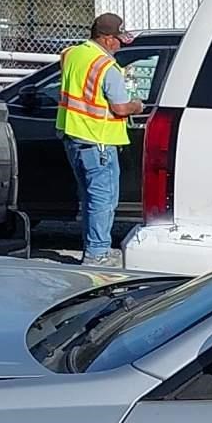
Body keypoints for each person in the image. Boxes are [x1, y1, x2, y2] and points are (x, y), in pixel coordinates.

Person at [57, 13, 143, 264]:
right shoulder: (107, 67)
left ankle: (93, 248)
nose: (121, 45)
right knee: (103, 199)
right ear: (106, 39)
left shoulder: (72, 54)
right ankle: (97, 253)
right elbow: (120, 108)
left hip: (73, 137)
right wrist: (137, 105)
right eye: (118, 39)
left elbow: (67, 66)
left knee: (90, 198)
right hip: (99, 140)